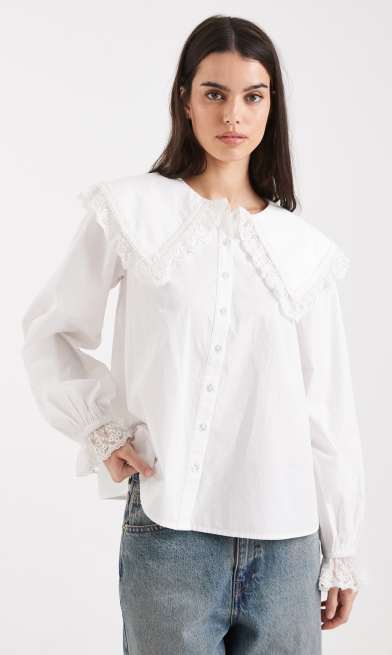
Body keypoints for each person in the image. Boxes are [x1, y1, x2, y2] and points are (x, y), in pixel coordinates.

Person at [21, 14, 367, 654]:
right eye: (215, 93)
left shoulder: (304, 251)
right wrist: (103, 429)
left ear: (271, 107)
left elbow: (327, 410)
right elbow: (52, 331)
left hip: (288, 550)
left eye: (252, 96)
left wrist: (341, 546)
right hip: (170, 535)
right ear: (185, 99)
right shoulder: (132, 210)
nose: (233, 114)